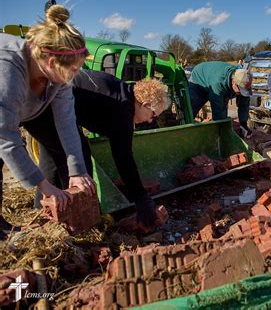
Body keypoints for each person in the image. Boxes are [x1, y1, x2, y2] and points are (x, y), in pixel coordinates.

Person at [0, 5, 96, 240]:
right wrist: (44, 186)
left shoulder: (59, 79)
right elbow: (5, 134)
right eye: (73, 70)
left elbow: (66, 121)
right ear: (52, 63)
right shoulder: (8, 68)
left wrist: (77, 171)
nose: (75, 75)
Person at [35, 70, 170, 229]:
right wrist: (141, 197)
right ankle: (75, 222)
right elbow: (123, 158)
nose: (150, 120)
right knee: (78, 162)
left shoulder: (123, 94)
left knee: (54, 157)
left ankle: (43, 212)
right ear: (145, 105)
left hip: (47, 102)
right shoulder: (122, 110)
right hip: (48, 104)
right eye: (153, 115)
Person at [189, 61, 253, 137]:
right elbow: (218, 109)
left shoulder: (243, 79)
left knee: (224, 105)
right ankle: (186, 130)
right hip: (199, 78)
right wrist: (221, 133)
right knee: (193, 105)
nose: (241, 93)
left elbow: (244, 104)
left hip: (212, 78)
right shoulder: (218, 84)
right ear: (233, 82)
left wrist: (243, 123)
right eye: (240, 90)